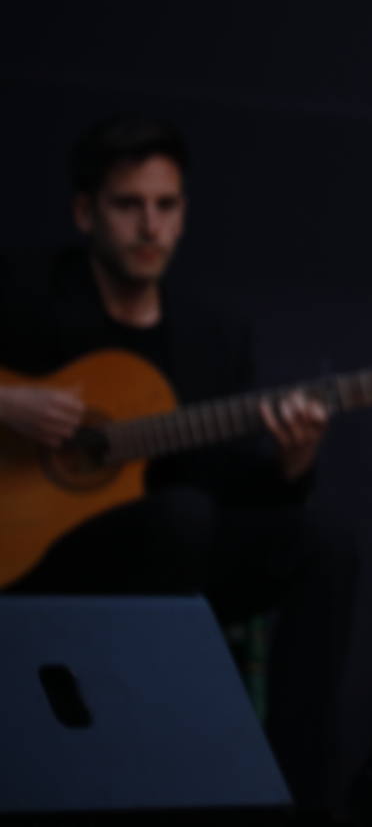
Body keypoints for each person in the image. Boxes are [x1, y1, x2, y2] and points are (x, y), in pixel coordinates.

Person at [0, 114, 329, 618]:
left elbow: (232, 490)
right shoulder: (25, 295)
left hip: (173, 552)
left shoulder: (213, 339)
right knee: (184, 515)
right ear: (85, 213)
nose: (150, 226)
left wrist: (292, 466)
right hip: (36, 560)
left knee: (323, 543)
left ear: (183, 215)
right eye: (129, 205)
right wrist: (7, 402)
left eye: (166, 205)